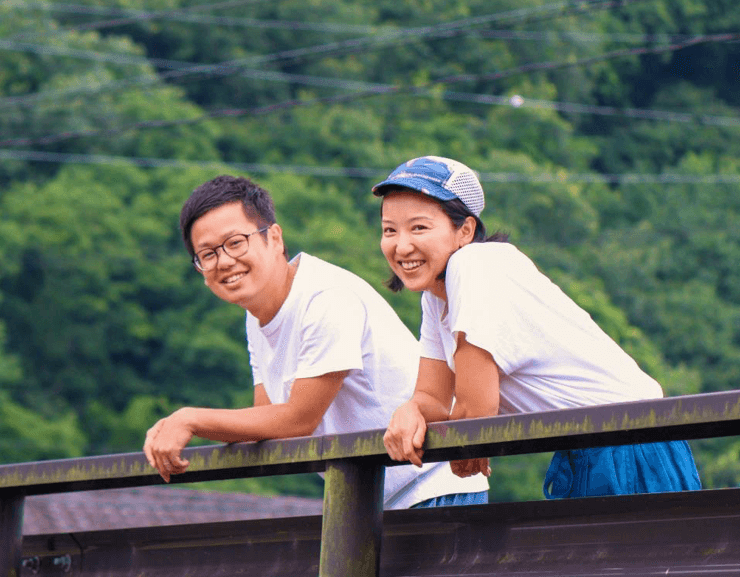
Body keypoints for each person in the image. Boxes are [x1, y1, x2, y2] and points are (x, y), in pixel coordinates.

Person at [143, 174, 488, 509]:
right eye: (208, 254)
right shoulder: (258, 316)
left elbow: (297, 421)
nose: (225, 261)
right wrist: (173, 430)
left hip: (432, 488)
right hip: (368, 501)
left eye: (235, 243)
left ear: (274, 238)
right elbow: (265, 421)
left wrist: (190, 420)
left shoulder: (325, 296)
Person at [375, 156, 701, 498]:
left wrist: (463, 433)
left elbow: (475, 411)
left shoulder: (475, 266)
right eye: (389, 230)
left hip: (630, 442)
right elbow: (433, 399)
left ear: (465, 231)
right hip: (587, 446)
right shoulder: (436, 297)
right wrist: (409, 410)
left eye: (419, 228)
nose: (401, 245)